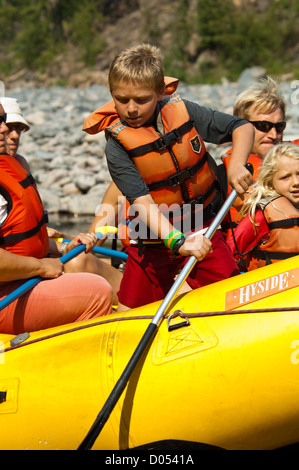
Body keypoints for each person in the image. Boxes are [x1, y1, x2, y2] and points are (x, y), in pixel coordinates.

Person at [83, 44, 254, 311]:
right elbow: (141, 201)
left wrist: (236, 166)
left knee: (234, 300)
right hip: (151, 239)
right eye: (121, 99)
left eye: (141, 100)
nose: (131, 109)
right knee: (130, 313)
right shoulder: (116, 144)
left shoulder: (183, 110)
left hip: (202, 228)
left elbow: (240, 126)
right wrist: (177, 241)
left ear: (160, 92)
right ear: (111, 94)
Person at [0, 104, 113, 335]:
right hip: (6, 295)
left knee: (79, 261)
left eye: (7, 121)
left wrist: (62, 247)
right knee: (96, 291)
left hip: (17, 283)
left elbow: (17, 241)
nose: (6, 130)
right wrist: (40, 266)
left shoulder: (11, 167)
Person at [219, 77, 287, 241]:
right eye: (264, 126)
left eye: (279, 127)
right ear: (240, 128)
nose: (273, 135)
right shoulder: (220, 175)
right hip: (248, 263)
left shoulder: (295, 167)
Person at [226, 143, 299, 271]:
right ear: (270, 182)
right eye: (285, 177)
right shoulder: (261, 216)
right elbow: (229, 253)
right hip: (272, 286)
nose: (296, 182)